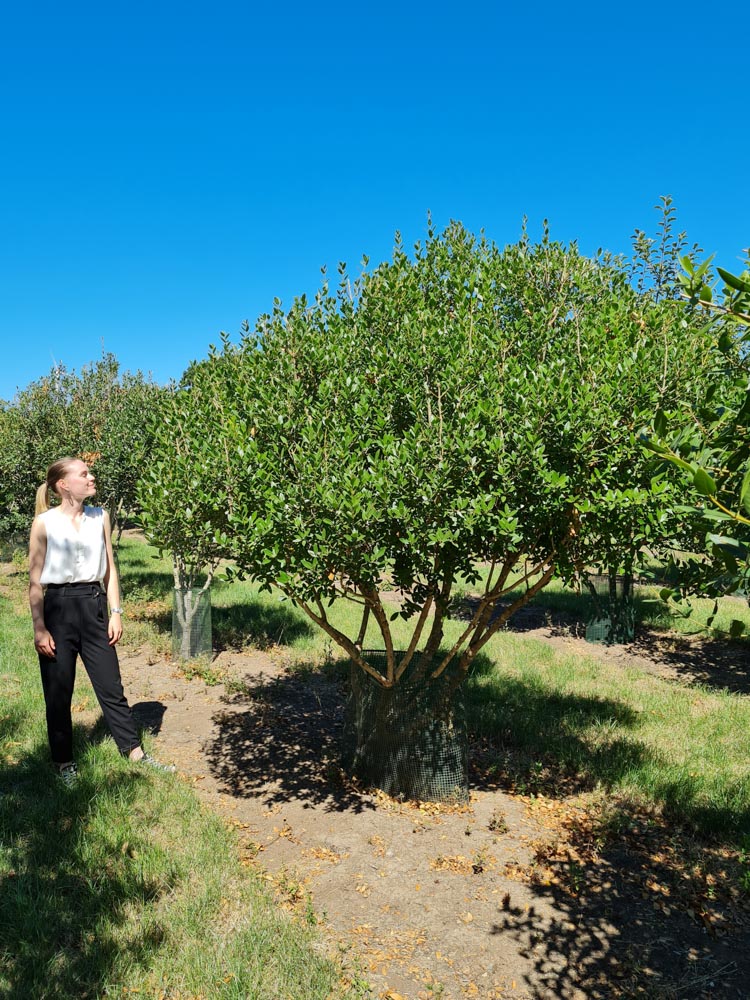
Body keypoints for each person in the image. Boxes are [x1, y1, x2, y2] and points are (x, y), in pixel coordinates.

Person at [29, 456, 174, 784]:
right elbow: (35, 581)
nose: (91, 477)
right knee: (58, 691)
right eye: (84, 474)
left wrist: (116, 613)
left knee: (111, 686)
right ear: (63, 484)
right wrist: (40, 627)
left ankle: (134, 751)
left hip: (94, 608)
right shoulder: (45, 523)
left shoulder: (100, 517)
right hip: (57, 610)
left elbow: (109, 570)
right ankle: (64, 762)